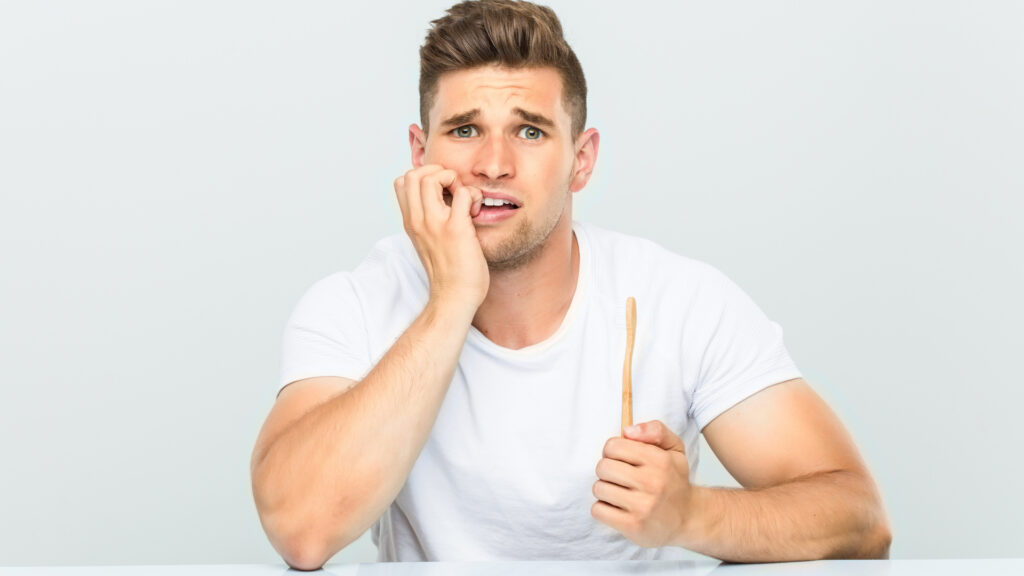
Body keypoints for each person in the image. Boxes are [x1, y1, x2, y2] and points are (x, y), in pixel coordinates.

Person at [250, 0, 892, 569]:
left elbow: (861, 520)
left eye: (529, 130)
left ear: (581, 160)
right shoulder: (355, 304)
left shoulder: (681, 300)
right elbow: (302, 532)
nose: (493, 164)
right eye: (464, 129)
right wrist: (451, 300)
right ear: (420, 154)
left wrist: (692, 515)